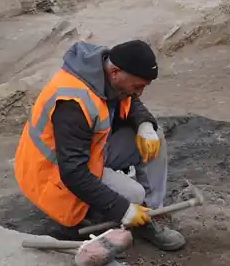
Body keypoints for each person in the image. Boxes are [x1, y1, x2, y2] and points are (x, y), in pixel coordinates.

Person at [14, 39, 185, 251]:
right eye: (137, 86)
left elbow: (131, 101)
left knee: (154, 139)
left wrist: (144, 125)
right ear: (115, 72)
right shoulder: (73, 103)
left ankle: (150, 215)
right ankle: (95, 217)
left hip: (90, 153)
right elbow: (74, 173)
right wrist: (123, 209)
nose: (139, 93)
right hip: (53, 174)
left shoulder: (109, 76)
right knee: (133, 195)